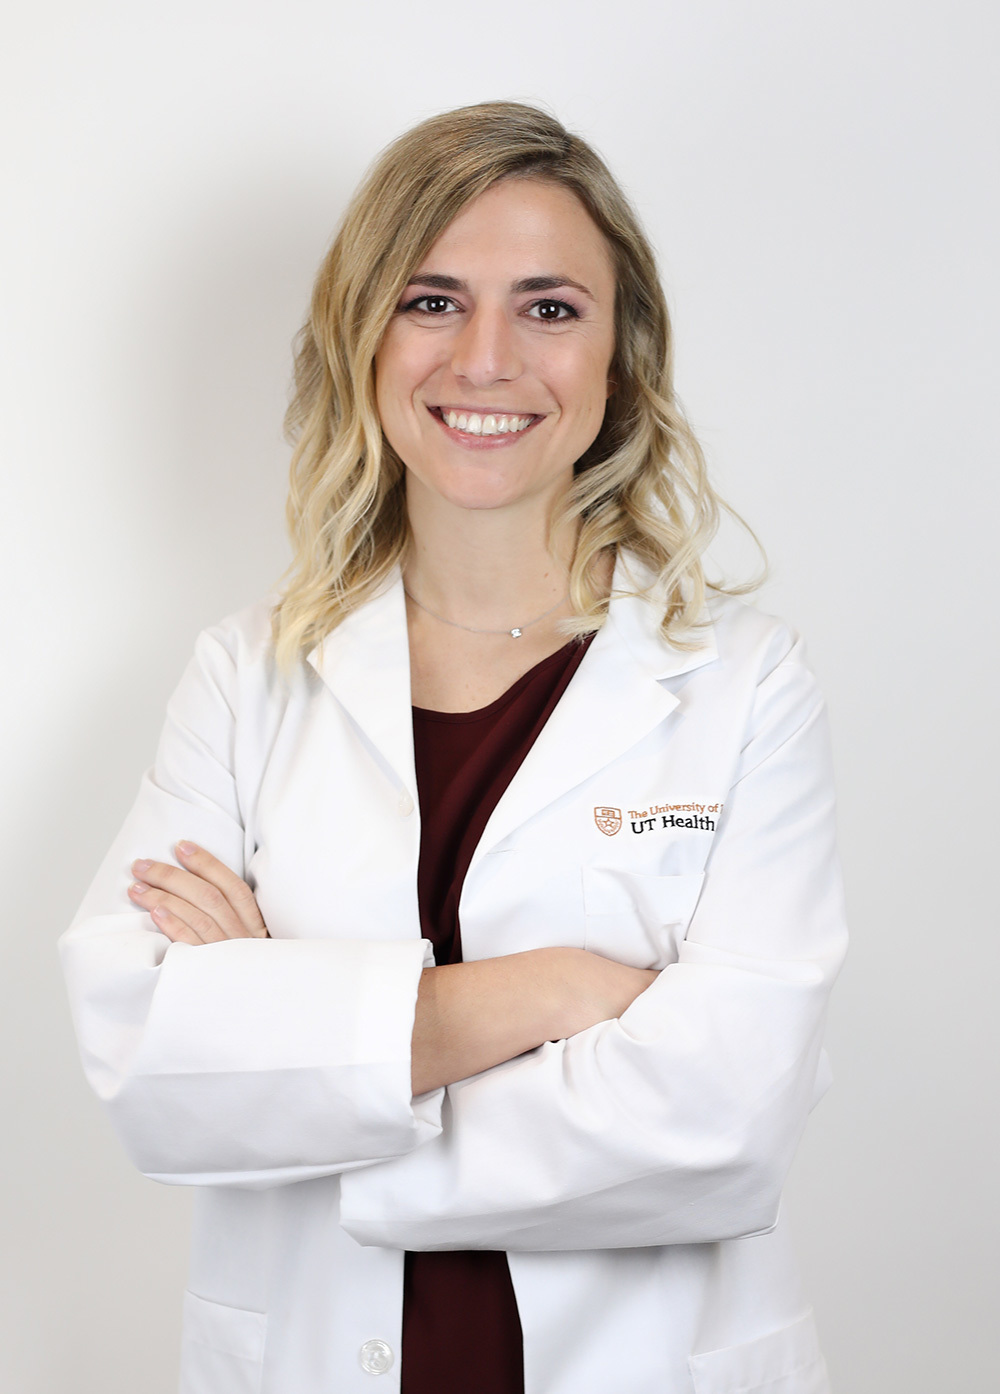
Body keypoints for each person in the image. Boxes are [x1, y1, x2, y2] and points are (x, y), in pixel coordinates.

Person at [60, 101, 848, 1394]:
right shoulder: (245, 676)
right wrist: (549, 989)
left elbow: (723, 1117)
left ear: (620, 355)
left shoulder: (746, 685)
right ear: (364, 336)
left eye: (549, 308)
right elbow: (152, 1063)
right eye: (433, 300)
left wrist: (304, 1062)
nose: (487, 358)